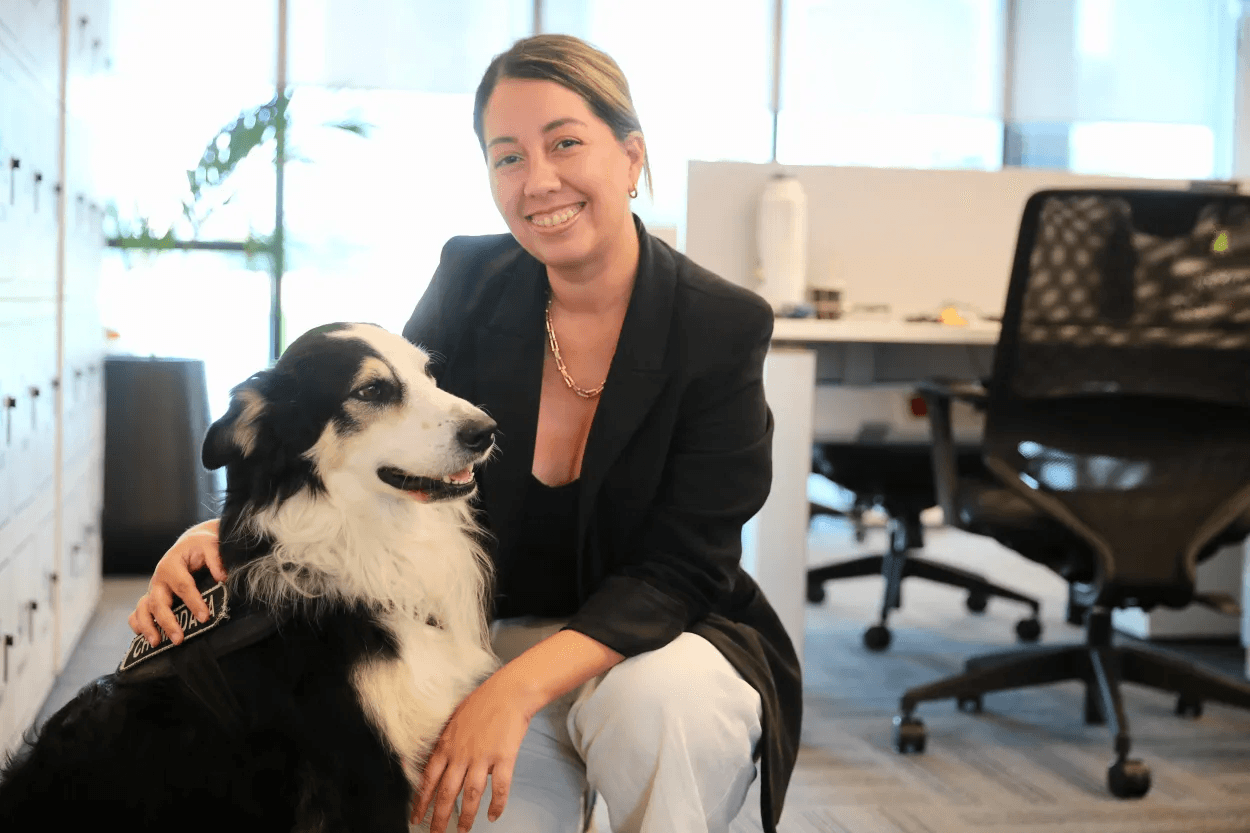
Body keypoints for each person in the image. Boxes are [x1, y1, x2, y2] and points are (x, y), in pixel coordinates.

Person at [128, 33, 801, 833]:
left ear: (631, 156)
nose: (537, 180)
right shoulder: (473, 277)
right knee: (456, 808)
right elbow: (378, 445)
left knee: (661, 705)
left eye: (565, 143)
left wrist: (509, 696)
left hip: (661, 640)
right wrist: (228, 531)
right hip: (486, 631)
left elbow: (683, 569)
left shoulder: (720, 324)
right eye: (506, 156)